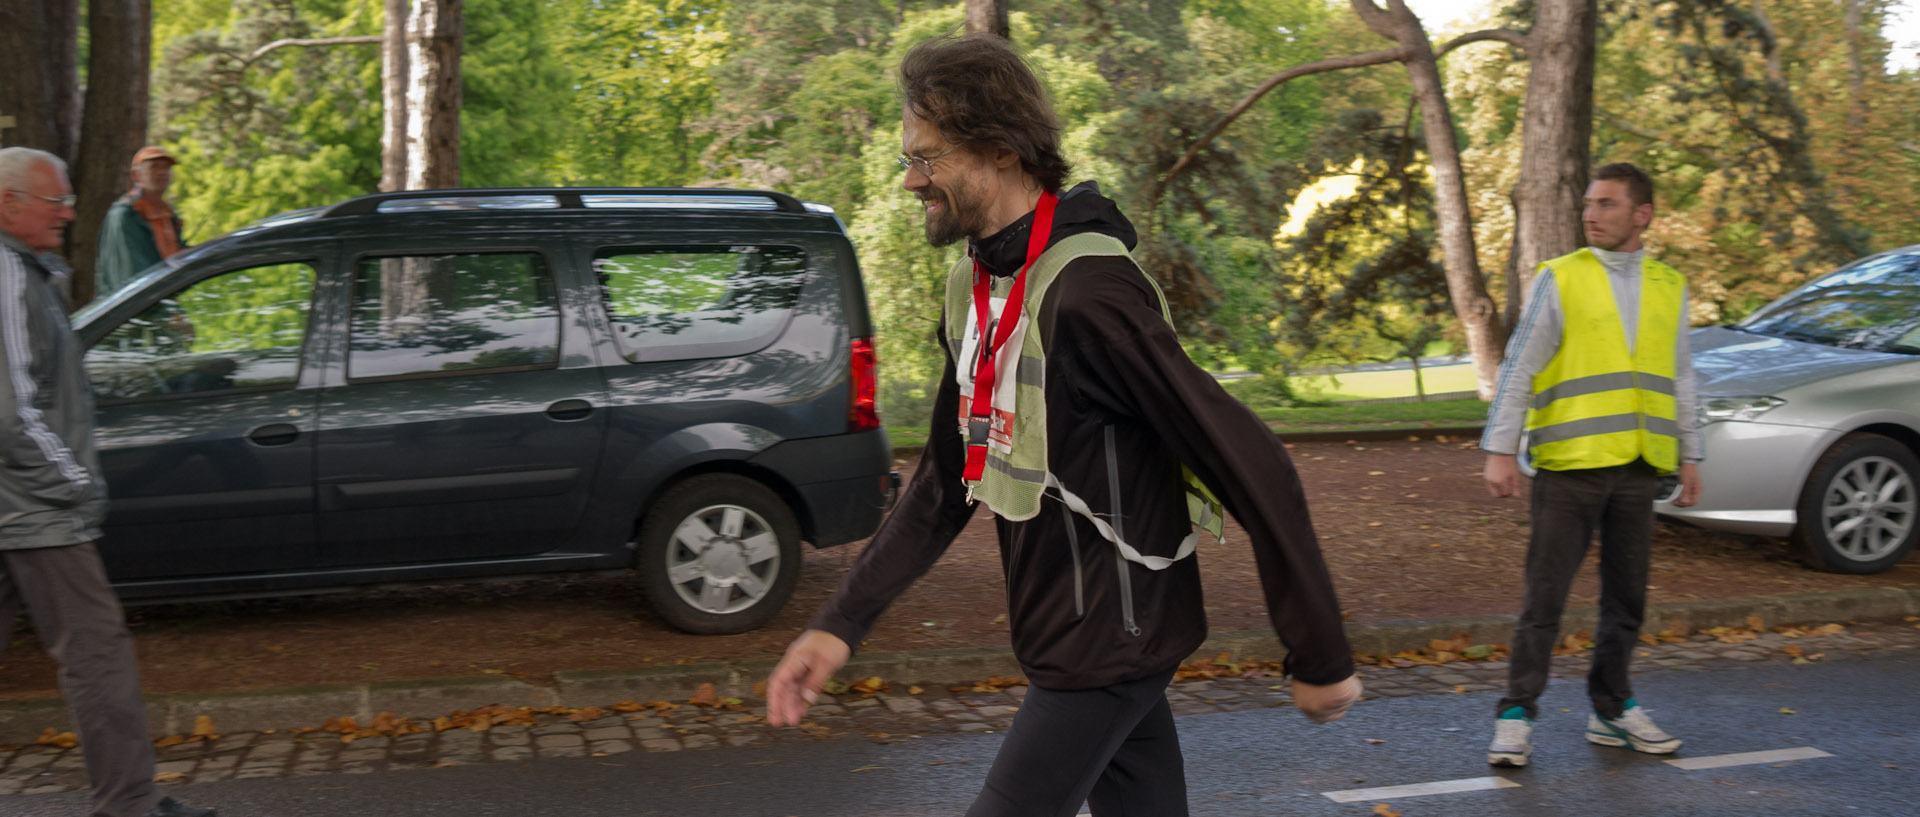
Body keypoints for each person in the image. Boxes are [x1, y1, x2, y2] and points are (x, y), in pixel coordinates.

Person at [765, 35, 1360, 817]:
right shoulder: (978, 289)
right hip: (1077, 632)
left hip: (1109, 640)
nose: (912, 179)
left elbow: (1246, 458)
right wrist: (839, 626)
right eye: (909, 158)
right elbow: (948, 484)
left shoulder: (1088, 291)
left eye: (929, 158)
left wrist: (1318, 650)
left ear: (1004, 151)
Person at [0, 147, 216, 817]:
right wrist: (72, 481)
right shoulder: (6, 275)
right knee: (97, 650)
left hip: (16, 503)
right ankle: (128, 804)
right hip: (34, 508)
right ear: (7, 203)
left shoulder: (29, 270)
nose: (68, 211)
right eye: (53, 200)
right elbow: (12, 407)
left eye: (66, 197)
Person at [1479, 161, 1704, 768]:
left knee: (1626, 602)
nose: (1590, 214)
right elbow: (1520, 365)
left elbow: (1681, 375)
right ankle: (1516, 714)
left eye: (1606, 204)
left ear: (1642, 214)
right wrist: (1500, 448)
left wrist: (1691, 452)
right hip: (1570, 465)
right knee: (1544, 601)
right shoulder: (1562, 277)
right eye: (1588, 204)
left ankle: (1612, 708)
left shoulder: (1669, 286)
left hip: (1638, 466)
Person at [94, 146, 186, 300]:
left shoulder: (167, 214)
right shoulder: (126, 214)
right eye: (154, 167)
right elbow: (133, 275)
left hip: (162, 299)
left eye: (166, 167)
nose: (162, 172)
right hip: (136, 306)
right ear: (136, 175)